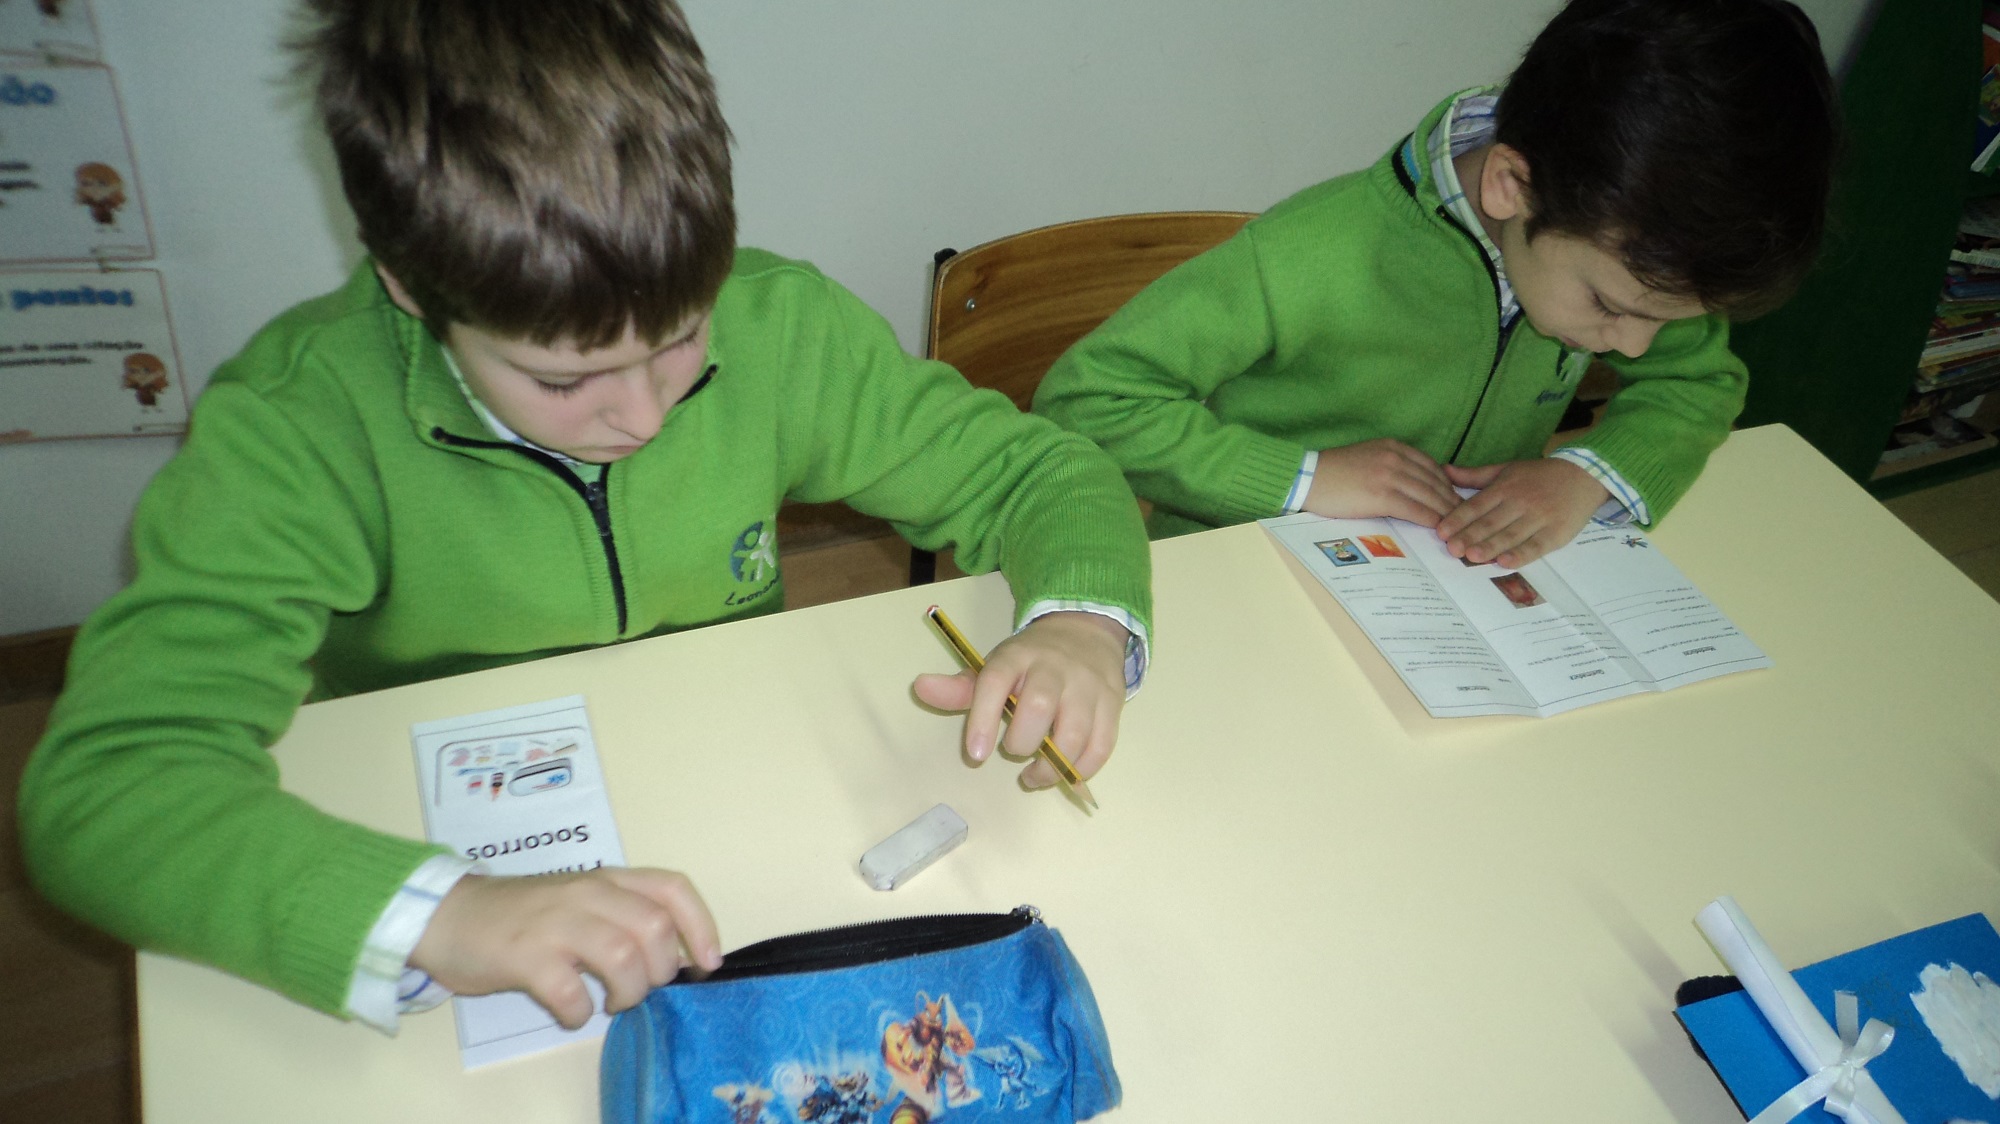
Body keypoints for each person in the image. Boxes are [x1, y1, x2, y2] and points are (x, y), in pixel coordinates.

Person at [18, 0, 1151, 1035]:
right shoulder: (297, 423)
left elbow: (1038, 473)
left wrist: (1081, 623)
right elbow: (108, 789)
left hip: (730, 803)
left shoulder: (781, 327)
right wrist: (438, 915)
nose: (644, 415)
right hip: (434, 822)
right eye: (563, 380)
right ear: (411, 286)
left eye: (681, 338)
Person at [1034, 0, 1839, 568]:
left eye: (1660, 319)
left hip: (1440, 592)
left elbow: (1699, 383)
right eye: (1610, 308)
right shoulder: (1312, 253)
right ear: (1511, 187)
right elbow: (1089, 401)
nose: (1633, 346)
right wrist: (1306, 477)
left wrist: (1586, 476)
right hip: (1242, 573)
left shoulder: (1628, 246)